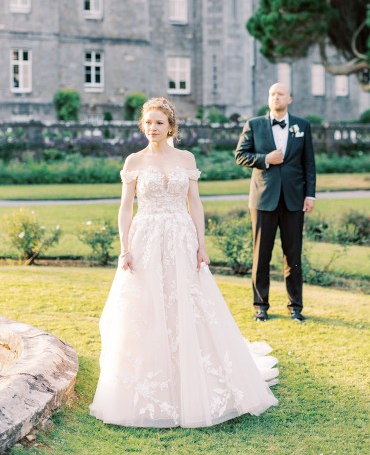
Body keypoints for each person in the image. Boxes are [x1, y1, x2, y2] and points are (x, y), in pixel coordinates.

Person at [89, 97, 278, 428]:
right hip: (145, 239)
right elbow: (124, 208)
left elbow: (195, 204)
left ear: (170, 126)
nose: (153, 128)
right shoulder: (133, 160)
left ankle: (197, 378)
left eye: (159, 122)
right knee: (146, 306)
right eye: (148, 122)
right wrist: (125, 247)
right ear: (142, 126)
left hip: (180, 237)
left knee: (188, 303)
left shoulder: (185, 158)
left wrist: (201, 245)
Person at [235, 84, 316, 323]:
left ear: (289, 98)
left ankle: (295, 307)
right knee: (261, 255)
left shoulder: (302, 126)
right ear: (268, 98)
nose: (276, 97)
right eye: (272, 94)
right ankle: (261, 305)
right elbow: (240, 154)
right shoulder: (254, 124)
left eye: (280, 94)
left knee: (293, 256)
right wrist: (265, 159)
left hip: (294, 200)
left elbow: (309, 164)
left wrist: (310, 195)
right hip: (263, 199)